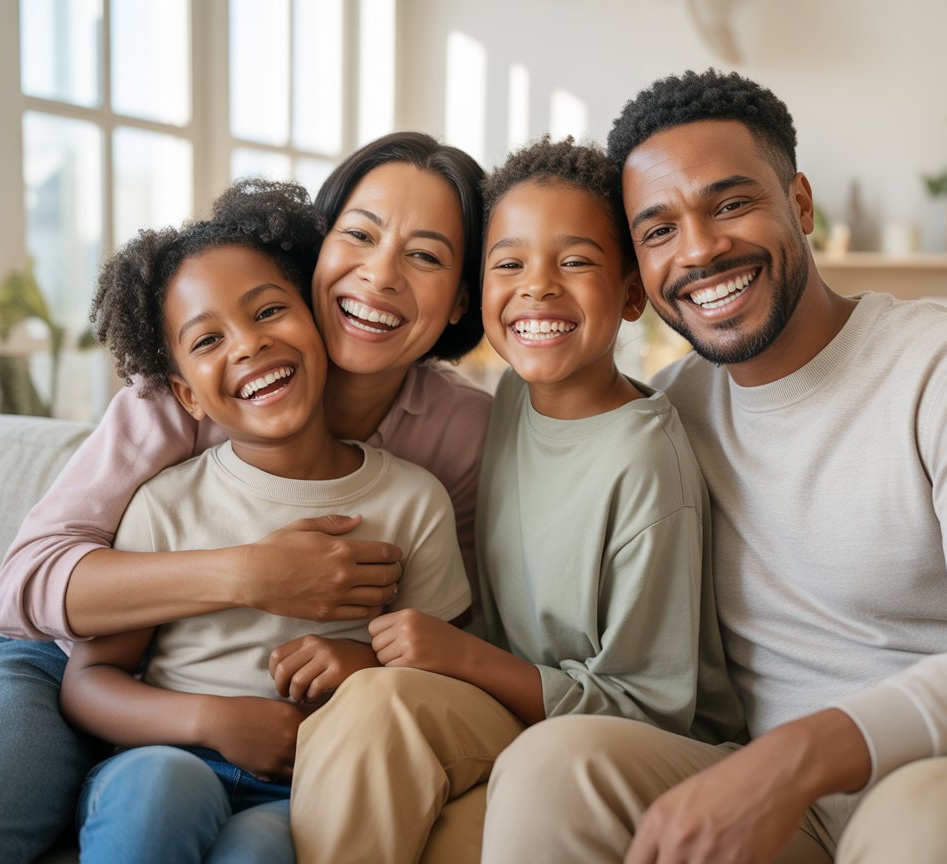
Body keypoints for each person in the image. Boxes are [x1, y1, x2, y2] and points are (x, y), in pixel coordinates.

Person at [481, 69, 947, 864]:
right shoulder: (667, 414)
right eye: (658, 230)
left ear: (801, 205)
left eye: (731, 204)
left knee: (923, 824)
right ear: (637, 269)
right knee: (551, 768)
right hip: (770, 791)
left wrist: (799, 756)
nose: (701, 250)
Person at [0, 131, 490, 864]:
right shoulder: (174, 399)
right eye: (361, 236)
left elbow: (445, 644)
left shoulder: (454, 443)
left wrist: (366, 671)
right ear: (320, 254)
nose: (379, 277)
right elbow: (23, 587)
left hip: (291, 746)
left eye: (426, 254)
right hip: (74, 658)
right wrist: (254, 574)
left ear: (462, 295)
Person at [287, 135, 745, 864]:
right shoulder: (506, 401)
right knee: (371, 710)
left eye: (575, 262)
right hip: (515, 716)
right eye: (510, 263)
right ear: (480, 288)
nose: (537, 287)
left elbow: (651, 708)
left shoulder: (645, 461)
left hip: (627, 753)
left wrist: (459, 658)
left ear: (632, 293)